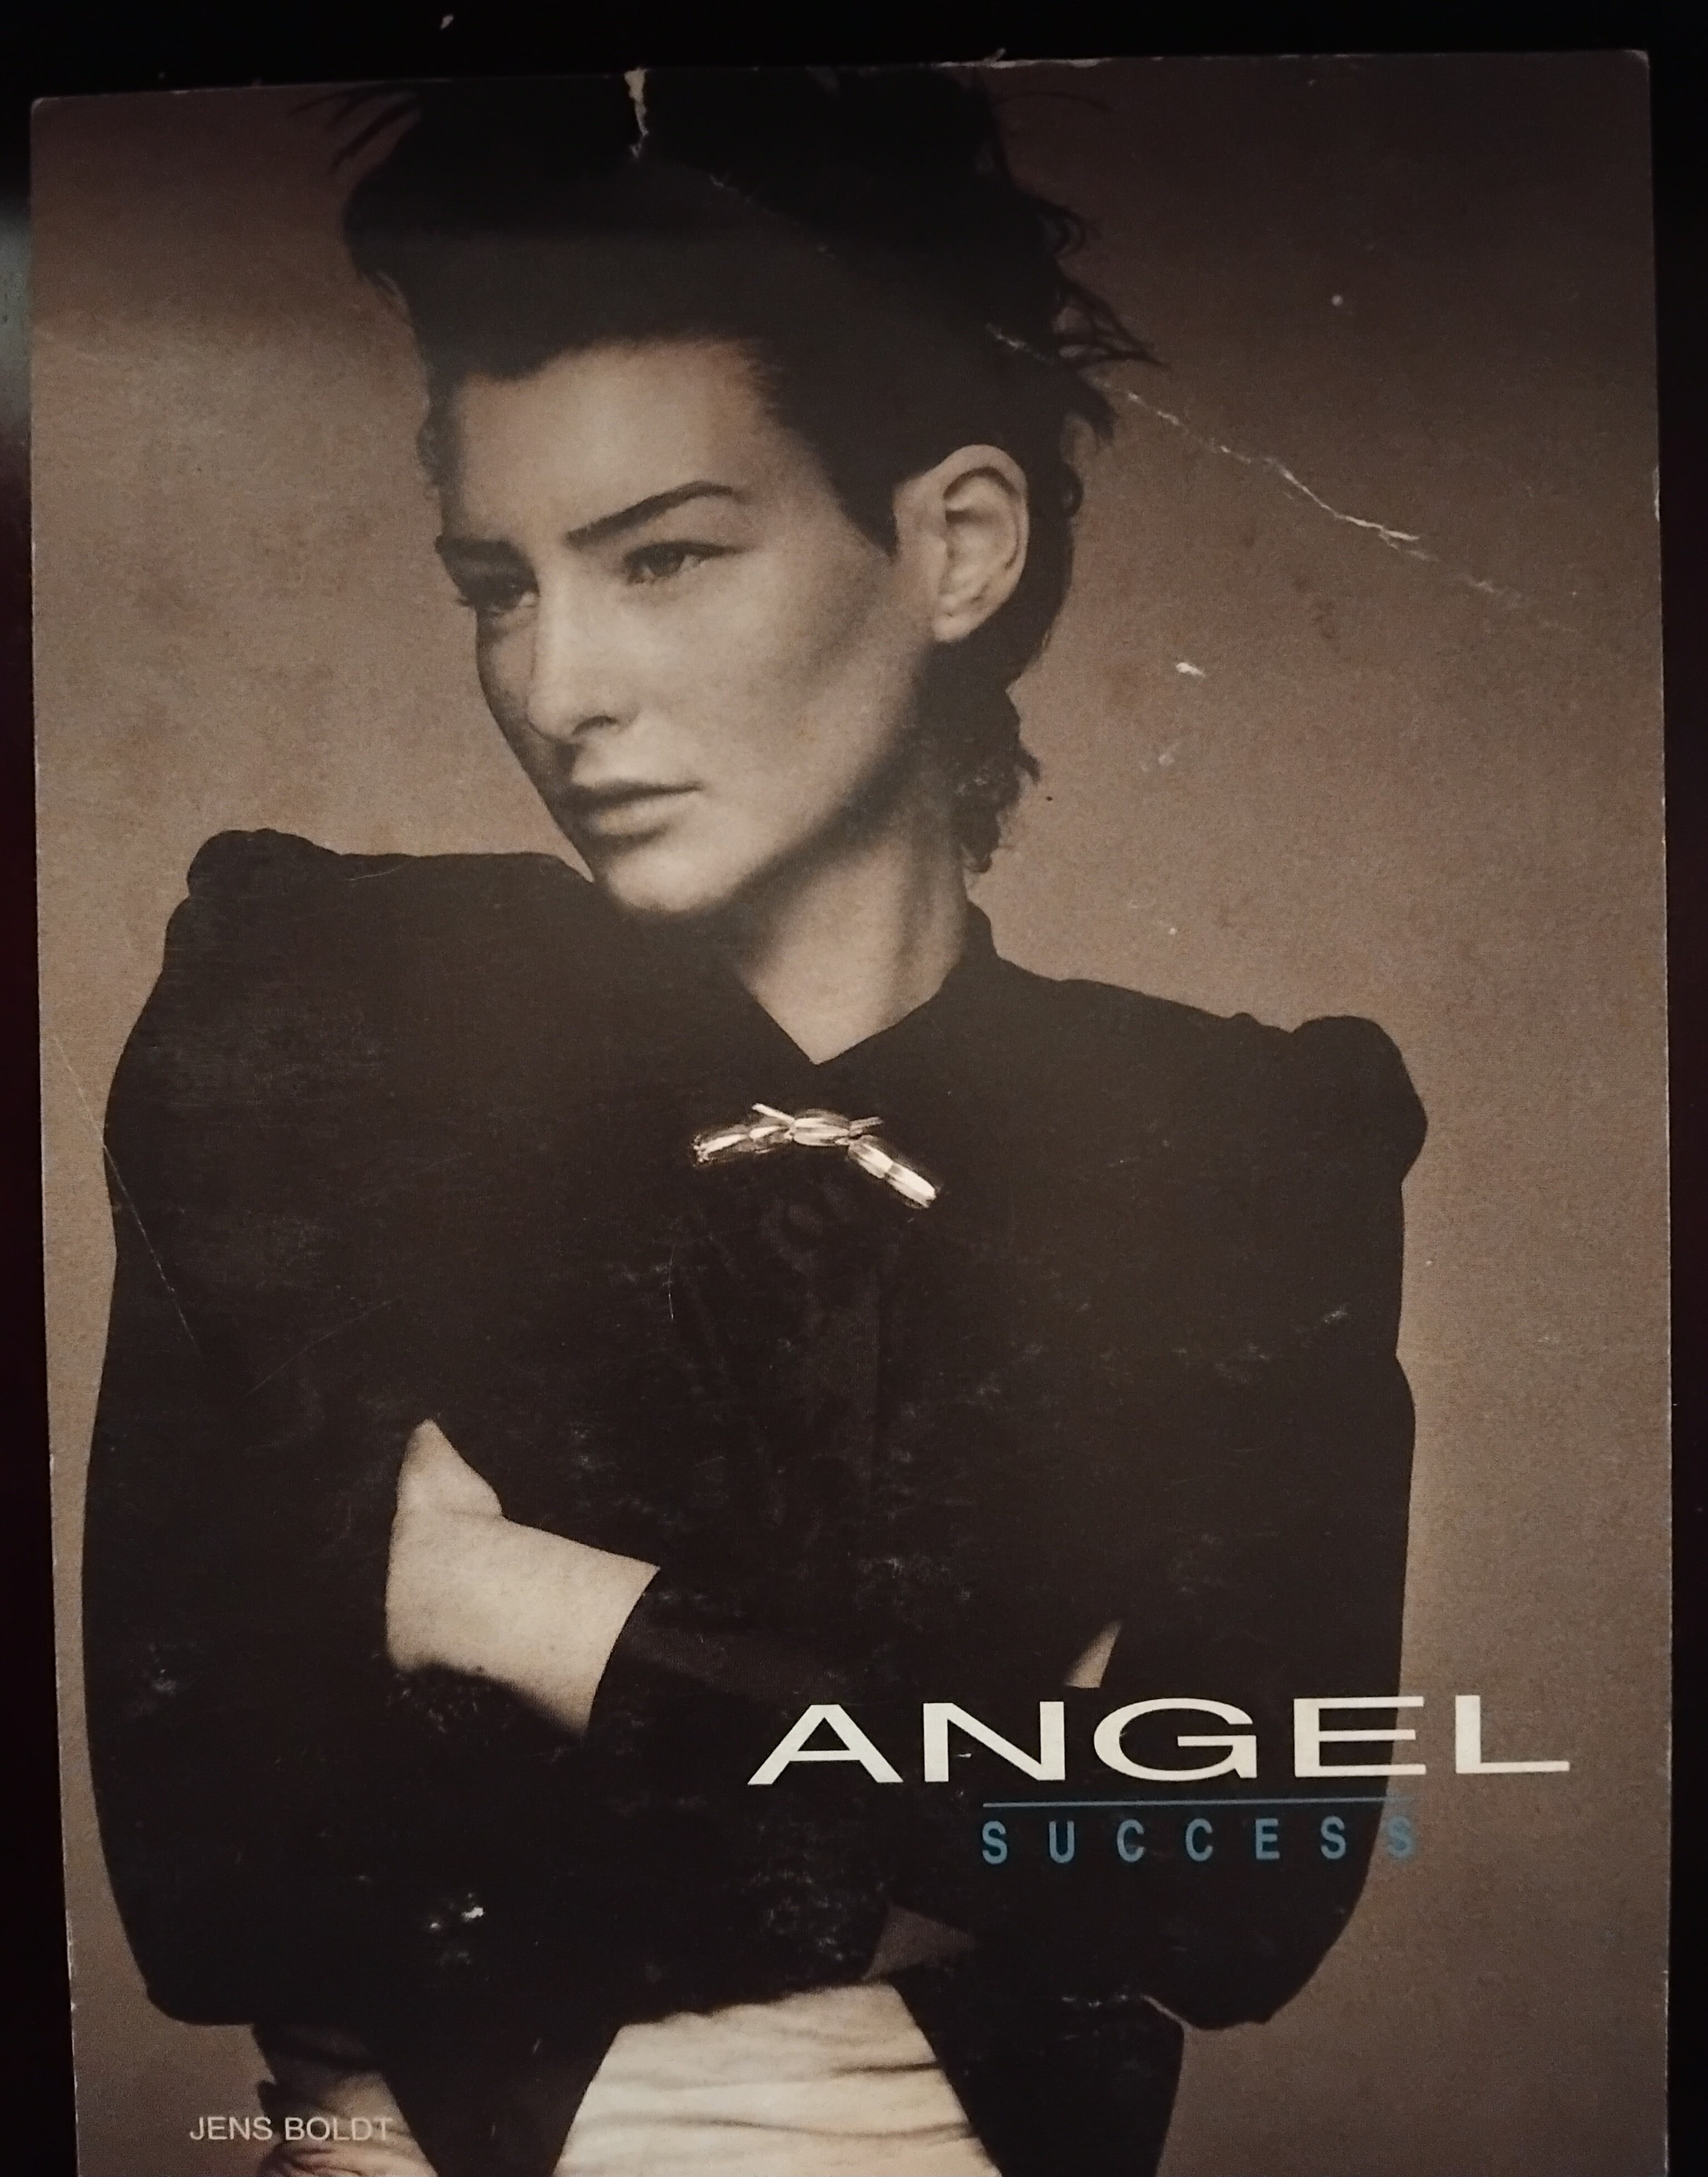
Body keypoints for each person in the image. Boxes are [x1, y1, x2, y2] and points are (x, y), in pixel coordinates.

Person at [83, 67, 1427, 2177]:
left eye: (665, 558)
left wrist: (531, 1609)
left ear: (954, 545)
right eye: (497, 584)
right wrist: (959, 1764)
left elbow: (1233, 1886)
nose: (558, 688)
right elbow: (219, 1870)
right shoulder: (321, 1020)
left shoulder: (1238, 1139)